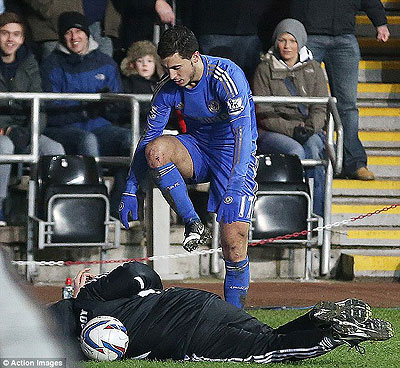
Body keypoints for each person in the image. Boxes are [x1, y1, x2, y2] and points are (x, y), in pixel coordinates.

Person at [118, 25, 258, 309]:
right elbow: (147, 139)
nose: (172, 75)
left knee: (233, 244)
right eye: (166, 68)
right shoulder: (168, 87)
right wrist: (130, 189)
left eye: (177, 67)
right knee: (156, 150)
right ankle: (193, 222)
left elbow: (243, 134)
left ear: (195, 57)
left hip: (234, 154)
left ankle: (234, 317)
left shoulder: (226, 77)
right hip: (195, 149)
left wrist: (233, 186)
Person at [49, 261, 393, 363]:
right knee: (266, 336)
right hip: (197, 302)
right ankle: (317, 317)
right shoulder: (94, 297)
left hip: (190, 335)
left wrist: (89, 292)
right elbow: (138, 272)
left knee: (269, 352)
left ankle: (334, 334)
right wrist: (97, 288)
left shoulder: (80, 312)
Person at [40, 11, 131, 216]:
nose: (74, 37)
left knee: (130, 140)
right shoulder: (51, 65)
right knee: (87, 140)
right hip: (65, 130)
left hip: (101, 127)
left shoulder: (106, 63)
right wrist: (84, 109)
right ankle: (94, 207)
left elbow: (121, 106)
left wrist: (109, 106)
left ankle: (118, 205)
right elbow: (51, 110)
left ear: (87, 34)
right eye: (69, 32)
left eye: (78, 31)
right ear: (62, 36)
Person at [289, 0, 390, 180]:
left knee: (347, 107)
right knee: (303, 104)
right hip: (309, 37)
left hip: (344, 38)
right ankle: (311, 157)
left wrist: (380, 22)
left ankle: (354, 163)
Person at [252, 18, 328, 217]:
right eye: (283, 40)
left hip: (307, 128)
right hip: (273, 131)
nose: (287, 46)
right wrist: (292, 130)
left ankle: (316, 216)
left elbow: (320, 107)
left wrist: (310, 128)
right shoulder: (264, 69)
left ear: (300, 43)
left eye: (292, 41)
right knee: (296, 152)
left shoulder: (314, 69)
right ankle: (294, 214)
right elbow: (264, 111)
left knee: (313, 149)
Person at [0, 12, 64, 225]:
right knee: (5, 147)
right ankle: (0, 206)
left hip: (26, 128)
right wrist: (6, 129)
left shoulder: (29, 62)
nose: (10, 39)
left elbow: (40, 106)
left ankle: (51, 210)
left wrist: (32, 131)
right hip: (3, 132)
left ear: (22, 38)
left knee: (54, 149)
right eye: (5, 33)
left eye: (16, 34)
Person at [19, 1, 121, 60]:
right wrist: (50, 8)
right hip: (56, 29)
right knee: (56, 88)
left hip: (101, 27)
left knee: (104, 88)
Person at [120, 40, 164, 132]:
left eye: (149, 61)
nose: (145, 64)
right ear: (132, 64)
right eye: (140, 61)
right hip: (135, 127)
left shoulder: (161, 84)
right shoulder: (128, 83)